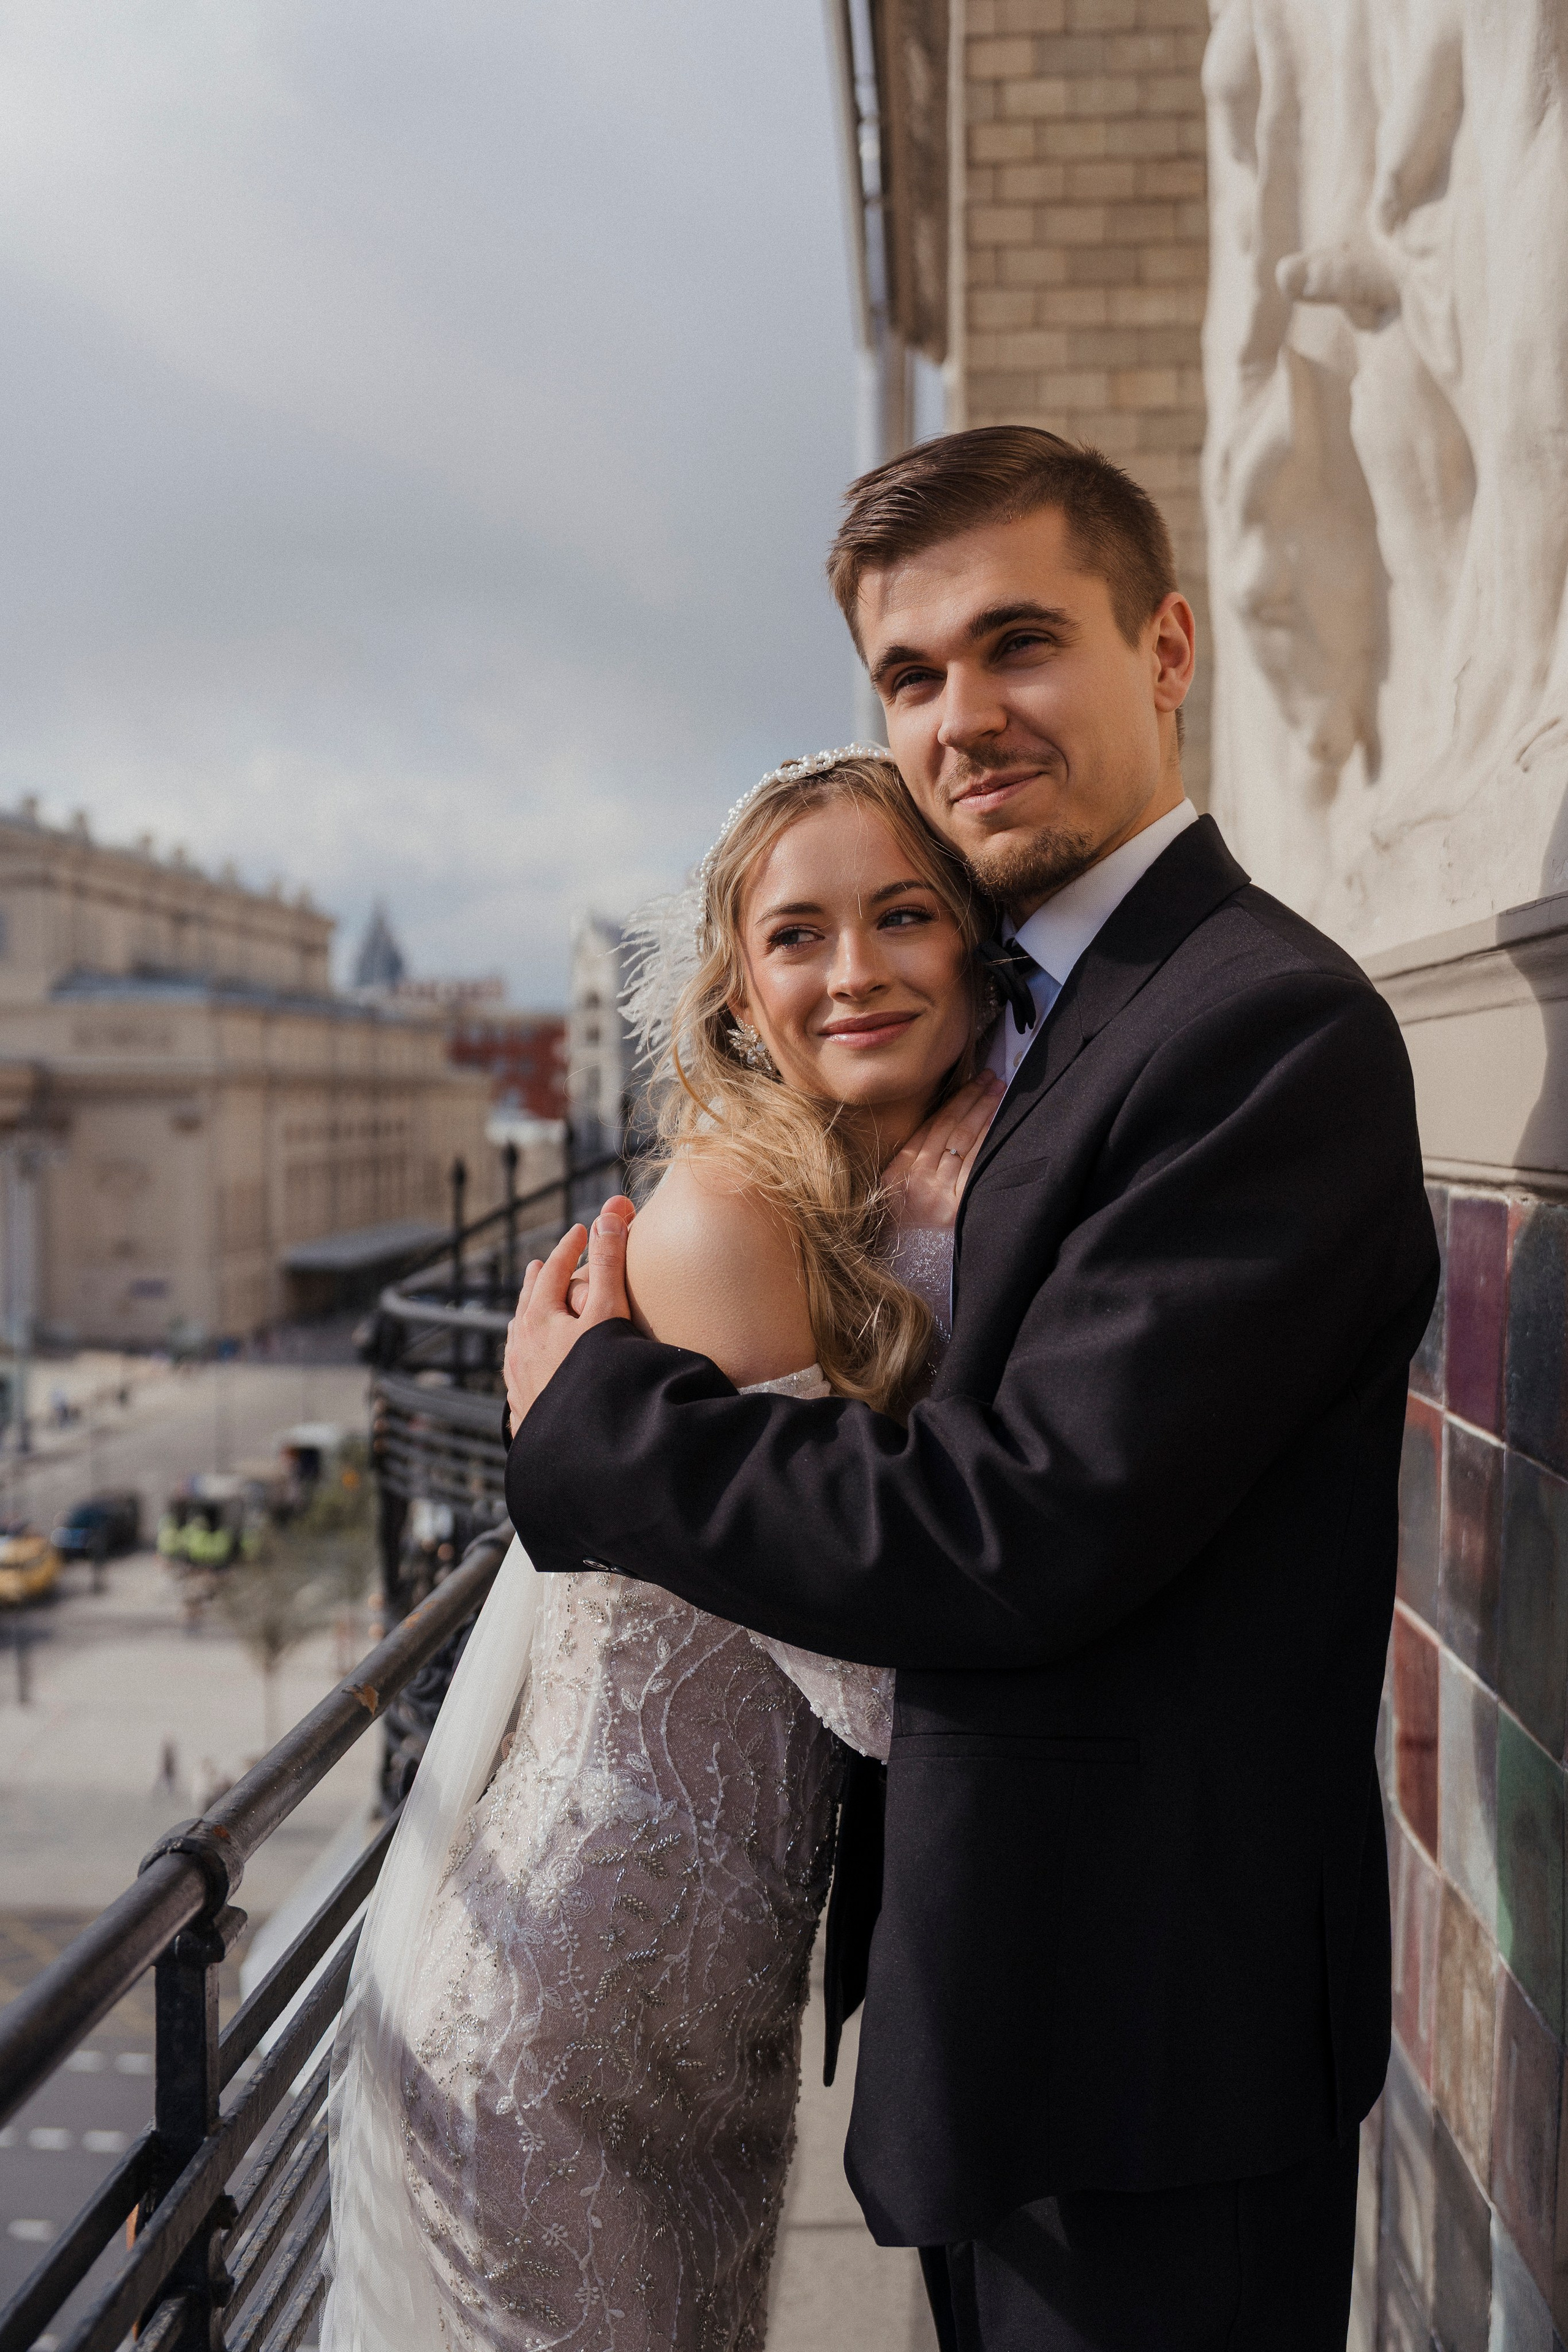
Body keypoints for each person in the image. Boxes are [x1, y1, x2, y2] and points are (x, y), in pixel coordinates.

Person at [503, 426, 1440, 2351]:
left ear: (1169, 649)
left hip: (1154, 2055)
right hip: (1022, 2020)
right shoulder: (1052, 1015)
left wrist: (600, 1420)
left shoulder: (1260, 1026)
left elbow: (1015, 1522)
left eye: (1020, 644)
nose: (962, 716)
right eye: (909, 676)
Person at [322, 748, 1001, 2351]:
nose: (854, 970)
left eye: (904, 914)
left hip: (694, 2011)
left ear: (978, 944)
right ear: (735, 990)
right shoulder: (728, 1224)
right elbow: (864, 1665)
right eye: (797, 935)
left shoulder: (863, 1194)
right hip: (568, 2003)